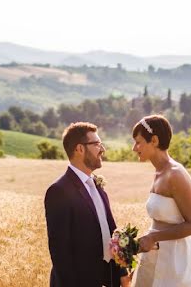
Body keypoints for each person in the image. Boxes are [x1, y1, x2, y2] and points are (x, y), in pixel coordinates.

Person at [45, 121, 130, 287]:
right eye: (97, 144)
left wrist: (121, 272)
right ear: (80, 149)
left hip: (108, 279)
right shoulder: (59, 191)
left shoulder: (97, 185)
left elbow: (112, 231)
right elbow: (60, 252)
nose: (102, 149)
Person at [130, 115, 191, 287]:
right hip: (153, 255)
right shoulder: (158, 172)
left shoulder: (175, 174)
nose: (134, 148)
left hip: (174, 260)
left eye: (138, 142)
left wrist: (153, 237)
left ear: (153, 140)